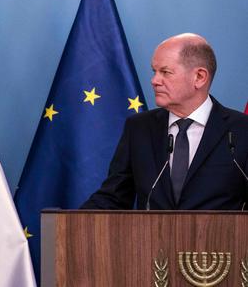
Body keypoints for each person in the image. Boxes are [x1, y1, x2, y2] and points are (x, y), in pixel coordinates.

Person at [82, 33, 248, 210]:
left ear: (199, 77)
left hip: (221, 238)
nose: (154, 81)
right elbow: (113, 197)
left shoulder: (241, 130)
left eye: (165, 72)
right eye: (154, 71)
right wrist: (72, 224)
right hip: (151, 237)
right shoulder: (139, 128)